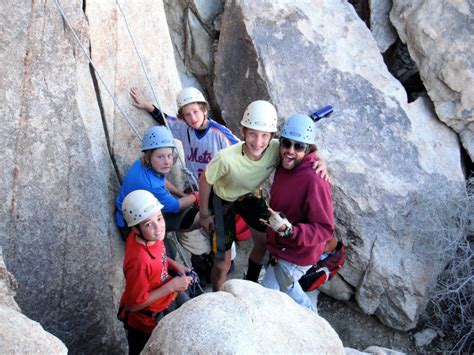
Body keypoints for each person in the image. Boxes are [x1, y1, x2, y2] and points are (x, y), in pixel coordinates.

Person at [199, 101, 329, 291]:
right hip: (223, 200)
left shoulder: (278, 148)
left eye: (264, 136)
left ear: (272, 137)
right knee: (222, 262)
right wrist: (204, 214)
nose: (258, 142)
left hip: (250, 196)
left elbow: (304, 148)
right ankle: (218, 297)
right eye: (252, 133)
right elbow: (206, 180)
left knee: (263, 242)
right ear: (243, 131)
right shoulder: (225, 158)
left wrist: (320, 161)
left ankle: (251, 284)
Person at [260, 114, 334, 312]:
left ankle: (313, 322)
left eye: (299, 147)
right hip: (281, 246)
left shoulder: (314, 179)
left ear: (308, 148)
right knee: (280, 285)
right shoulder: (285, 160)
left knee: (269, 296)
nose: (290, 151)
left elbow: (325, 229)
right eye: (287, 143)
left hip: (295, 252)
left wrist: (290, 231)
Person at [115, 126, 209, 282]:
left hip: (139, 214)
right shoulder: (151, 184)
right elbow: (176, 206)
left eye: (169, 156)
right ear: (149, 156)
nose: (166, 161)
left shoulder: (142, 164)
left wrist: (182, 194)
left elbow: (162, 180)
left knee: (167, 251)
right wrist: (196, 197)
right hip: (134, 225)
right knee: (166, 255)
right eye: (160, 157)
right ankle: (174, 285)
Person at [117, 190, 193, 355]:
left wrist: (174, 265)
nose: (158, 228)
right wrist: (172, 286)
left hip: (164, 300)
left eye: (159, 218)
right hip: (146, 323)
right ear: (136, 229)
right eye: (148, 224)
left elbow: (159, 256)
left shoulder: (149, 238)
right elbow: (132, 305)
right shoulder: (139, 262)